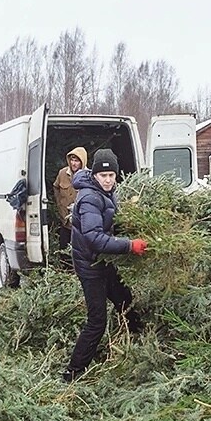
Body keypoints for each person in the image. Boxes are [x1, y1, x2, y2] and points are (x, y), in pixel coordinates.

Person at [63, 149, 147, 382]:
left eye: (112, 175)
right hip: (90, 266)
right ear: (95, 176)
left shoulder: (106, 192)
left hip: (103, 262)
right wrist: (130, 246)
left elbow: (109, 224)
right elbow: (95, 238)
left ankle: (141, 341)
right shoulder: (90, 197)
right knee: (97, 320)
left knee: (125, 300)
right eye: (104, 175)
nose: (108, 180)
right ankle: (73, 372)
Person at [52, 146, 87, 250]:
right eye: (72, 160)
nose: (73, 163)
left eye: (76, 161)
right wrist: (60, 205)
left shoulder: (89, 176)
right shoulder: (62, 173)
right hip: (66, 222)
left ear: (82, 162)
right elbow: (56, 187)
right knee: (64, 250)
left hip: (82, 224)